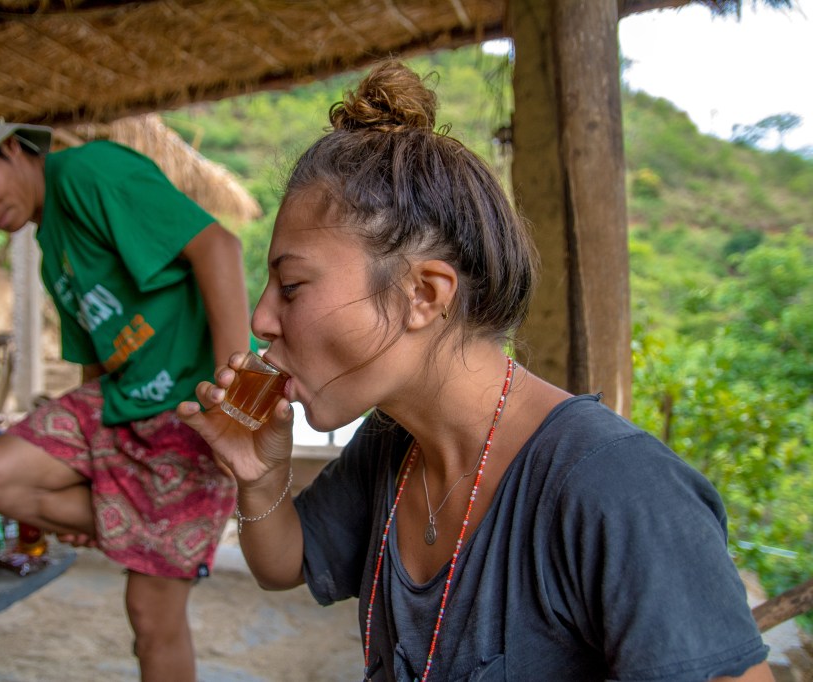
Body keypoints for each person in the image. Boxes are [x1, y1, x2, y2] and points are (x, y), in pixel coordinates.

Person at [177, 60, 772, 681]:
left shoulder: (619, 490)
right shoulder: (395, 443)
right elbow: (284, 564)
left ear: (424, 295)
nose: (262, 318)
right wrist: (261, 476)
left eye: (292, 285)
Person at [0, 92, 250, 681]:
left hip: (190, 406)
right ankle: (125, 517)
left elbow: (219, 247)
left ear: (11, 146)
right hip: (124, 401)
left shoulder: (88, 172)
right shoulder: (47, 246)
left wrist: (233, 396)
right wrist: (98, 475)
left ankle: (132, 521)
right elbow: (98, 360)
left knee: (151, 617)